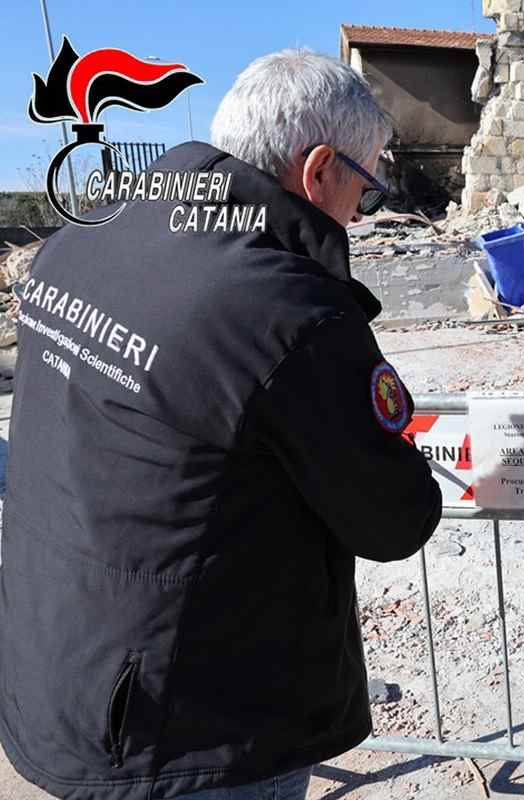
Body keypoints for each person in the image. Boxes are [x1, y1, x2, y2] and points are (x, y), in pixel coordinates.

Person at [0, 50, 441, 799]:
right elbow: (394, 519)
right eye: (364, 189)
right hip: (191, 728)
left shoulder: (81, 241)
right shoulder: (285, 312)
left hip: (61, 669)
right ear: (319, 170)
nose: (360, 215)